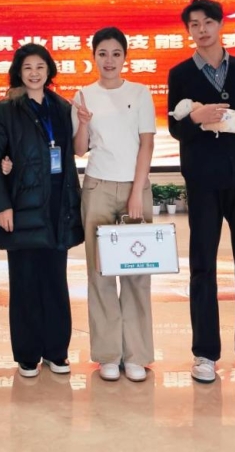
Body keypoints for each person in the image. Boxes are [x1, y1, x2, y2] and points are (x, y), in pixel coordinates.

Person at [167, 0, 235, 385]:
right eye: (194, 25)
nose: (201, 30)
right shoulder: (180, 74)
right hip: (202, 180)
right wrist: (195, 118)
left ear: (220, 25)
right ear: (189, 31)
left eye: (207, 22)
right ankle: (205, 354)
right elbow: (175, 128)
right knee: (202, 267)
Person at [0, 43, 84, 378]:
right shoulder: (5, 110)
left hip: (57, 205)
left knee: (55, 281)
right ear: (18, 72)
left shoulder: (61, 107)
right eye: (27, 67)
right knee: (25, 282)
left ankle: (56, 352)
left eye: (40, 67)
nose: (34, 73)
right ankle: (27, 354)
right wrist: (2, 205)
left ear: (49, 70)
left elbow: (73, 152)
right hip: (22, 207)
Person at [71, 26, 156, 382]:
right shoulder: (83, 95)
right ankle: (108, 354)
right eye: (102, 53)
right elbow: (79, 149)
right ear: (93, 57)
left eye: (116, 54)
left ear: (125, 57)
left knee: (137, 272)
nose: (109, 60)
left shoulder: (140, 92)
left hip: (135, 188)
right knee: (100, 273)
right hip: (97, 188)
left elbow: (146, 144)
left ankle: (136, 354)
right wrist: (83, 124)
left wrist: (136, 192)